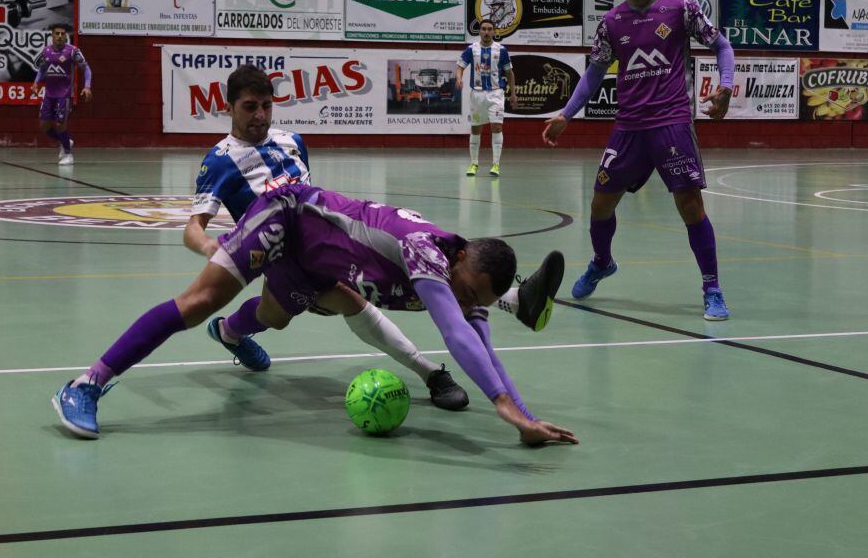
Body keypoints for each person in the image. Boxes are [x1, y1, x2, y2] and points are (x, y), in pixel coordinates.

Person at [53, 184, 575, 446]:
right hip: (289, 218)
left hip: (323, 268)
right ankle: (85, 384)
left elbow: (483, 346)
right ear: (459, 260)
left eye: (479, 300)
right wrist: (504, 408)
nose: (467, 303)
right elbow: (456, 337)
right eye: (470, 292)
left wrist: (524, 418)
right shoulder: (425, 252)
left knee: (274, 317)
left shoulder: (466, 282)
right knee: (199, 301)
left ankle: (231, 333)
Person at [185, 64, 468, 411]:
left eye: (266, 106)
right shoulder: (219, 161)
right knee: (278, 316)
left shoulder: (293, 142)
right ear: (228, 107)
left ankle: (433, 373)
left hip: (323, 246)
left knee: (377, 279)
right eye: (249, 107)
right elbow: (193, 227)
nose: (260, 115)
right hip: (280, 260)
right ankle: (229, 331)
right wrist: (210, 247)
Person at [541, 0, 735, 321]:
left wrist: (725, 89)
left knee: (690, 207)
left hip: (672, 124)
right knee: (600, 204)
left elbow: (722, 46)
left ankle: (712, 288)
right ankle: (601, 262)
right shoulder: (612, 22)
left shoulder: (681, 10)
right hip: (629, 128)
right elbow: (595, 72)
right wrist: (566, 114)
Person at [456, 17, 516, 177]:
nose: (487, 32)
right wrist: (459, 77)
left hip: (496, 94)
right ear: (479, 31)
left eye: (490, 29)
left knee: (496, 127)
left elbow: (509, 72)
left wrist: (513, 93)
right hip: (477, 94)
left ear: (495, 31)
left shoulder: (501, 50)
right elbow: (460, 65)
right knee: (476, 129)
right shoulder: (471, 49)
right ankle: (474, 164)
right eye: (484, 29)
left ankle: (495, 164)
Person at [31, 23, 91, 166]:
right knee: (44, 126)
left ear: (66, 36)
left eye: (62, 34)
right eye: (56, 33)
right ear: (51, 36)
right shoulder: (46, 51)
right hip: (49, 95)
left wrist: (87, 86)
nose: (59, 36)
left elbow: (86, 68)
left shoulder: (73, 52)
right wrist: (35, 83)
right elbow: (42, 69)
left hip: (64, 95)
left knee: (60, 124)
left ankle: (68, 154)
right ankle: (65, 141)